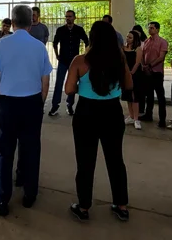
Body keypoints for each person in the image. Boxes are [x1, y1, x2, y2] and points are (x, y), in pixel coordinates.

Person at [0, 5, 52, 217]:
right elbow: (45, 80)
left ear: (12, 23)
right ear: (31, 24)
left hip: (7, 103)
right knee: (31, 149)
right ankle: (29, 194)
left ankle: (3, 198)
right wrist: (40, 102)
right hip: (32, 103)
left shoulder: (0, 45)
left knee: (5, 152)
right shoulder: (39, 47)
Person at [66, 21, 133, 222]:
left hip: (86, 112)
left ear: (92, 38)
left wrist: (84, 88)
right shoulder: (119, 59)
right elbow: (129, 84)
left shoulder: (80, 61)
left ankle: (84, 207)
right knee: (115, 160)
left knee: (85, 161)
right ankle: (121, 205)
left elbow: (69, 90)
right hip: (112, 111)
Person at [50, 10, 89, 116]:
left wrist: (85, 55)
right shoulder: (60, 30)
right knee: (59, 83)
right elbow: (55, 43)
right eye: (66, 16)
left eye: (70, 16)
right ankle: (54, 106)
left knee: (72, 84)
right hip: (63, 61)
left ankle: (70, 105)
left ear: (74, 18)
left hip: (74, 62)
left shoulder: (79, 30)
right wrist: (57, 55)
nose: (68, 18)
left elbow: (87, 41)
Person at [140, 21, 168, 127]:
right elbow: (142, 55)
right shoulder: (146, 41)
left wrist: (150, 66)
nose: (149, 29)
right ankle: (148, 114)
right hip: (147, 72)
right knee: (149, 95)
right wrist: (143, 65)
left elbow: (161, 57)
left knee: (160, 96)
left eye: (152, 28)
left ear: (157, 29)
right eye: (149, 28)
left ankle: (162, 119)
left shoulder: (162, 42)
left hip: (156, 72)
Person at [122, 30, 143, 130]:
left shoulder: (138, 49)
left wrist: (131, 73)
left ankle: (136, 118)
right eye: (127, 37)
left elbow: (137, 63)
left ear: (135, 39)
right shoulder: (123, 48)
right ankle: (130, 116)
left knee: (135, 97)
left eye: (130, 37)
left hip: (135, 75)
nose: (127, 39)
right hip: (125, 74)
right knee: (128, 96)